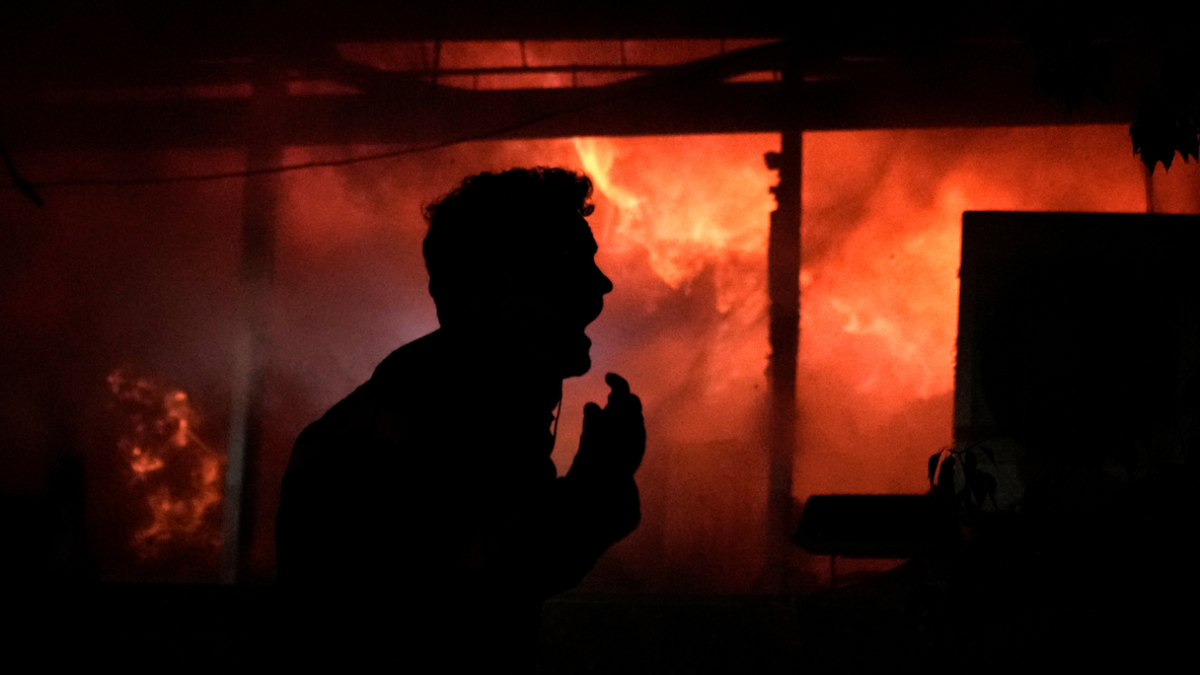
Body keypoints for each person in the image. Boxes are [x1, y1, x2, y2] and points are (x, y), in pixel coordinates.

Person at [276, 167, 644, 669]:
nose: (601, 284)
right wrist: (598, 484)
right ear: (499, 284)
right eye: (571, 263)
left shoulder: (443, 410)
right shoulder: (413, 431)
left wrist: (597, 484)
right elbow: (479, 587)